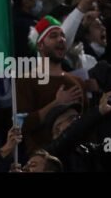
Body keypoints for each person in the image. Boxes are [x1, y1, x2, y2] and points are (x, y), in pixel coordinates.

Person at [16, 16, 87, 152]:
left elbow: (85, 123)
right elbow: (21, 125)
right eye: (53, 36)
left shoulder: (77, 82)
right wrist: (56, 103)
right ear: (40, 45)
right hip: (43, 159)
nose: (61, 39)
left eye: (62, 36)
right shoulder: (26, 81)